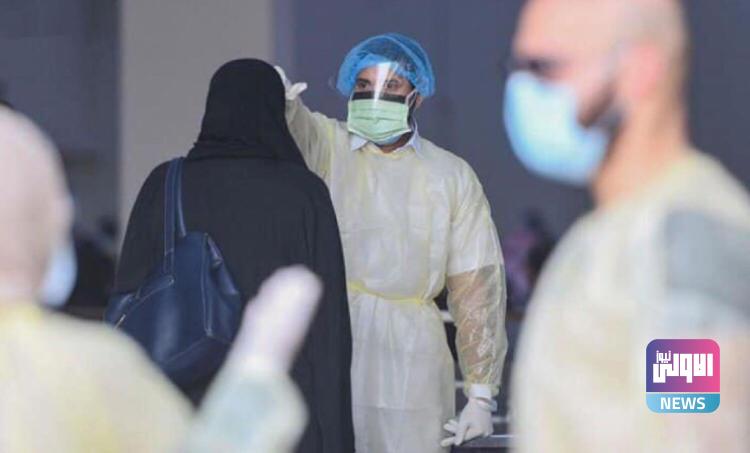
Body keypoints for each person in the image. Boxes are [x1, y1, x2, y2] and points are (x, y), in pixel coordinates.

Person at [504, 0, 750, 451]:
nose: (524, 92)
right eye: (518, 68)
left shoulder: (686, 241)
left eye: (545, 68)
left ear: (639, 70)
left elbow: (698, 438)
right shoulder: (601, 236)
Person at [277, 33, 507, 452]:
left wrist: (480, 394)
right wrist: (282, 102)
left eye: (391, 86)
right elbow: (297, 132)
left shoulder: (450, 175)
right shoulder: (331, 148)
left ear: (417, 96)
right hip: (336, 336)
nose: (374, 96)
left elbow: (476, 287)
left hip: (414, 354)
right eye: (363, 85)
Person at [114, 59, 354, 452]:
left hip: (181, 403)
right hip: (285, 409)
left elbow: (126, 297)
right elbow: (330, 332)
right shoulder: (304, 193)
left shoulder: (165, 183)